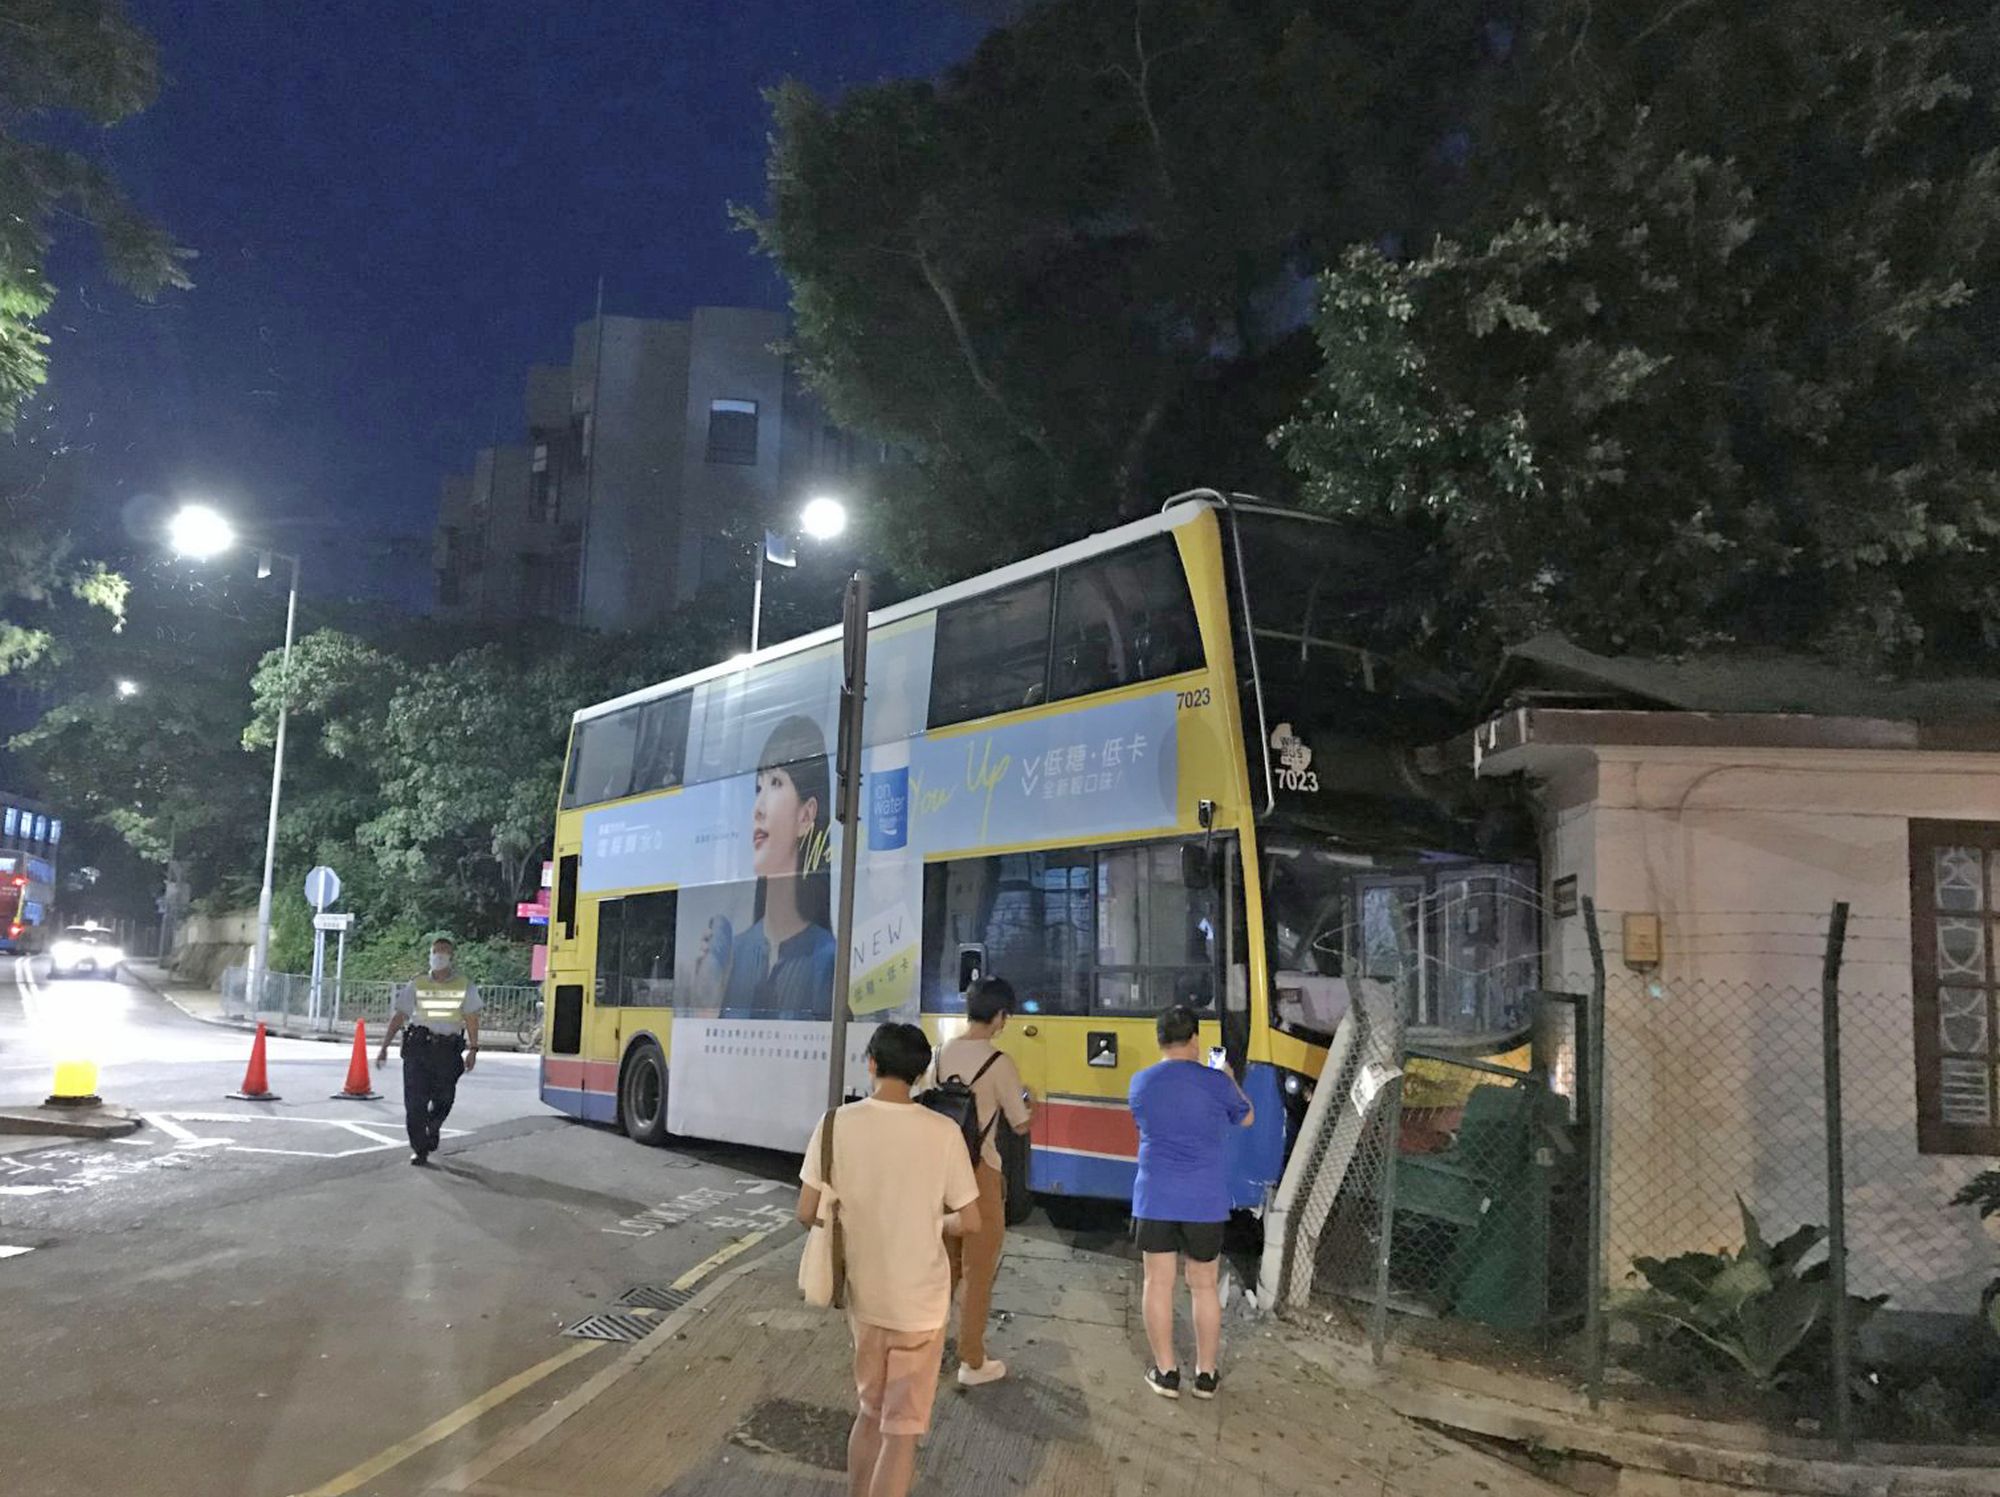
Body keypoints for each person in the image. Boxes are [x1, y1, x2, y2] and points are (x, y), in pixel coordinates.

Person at [797, 1023, 980, 1497]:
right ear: (921, 1075)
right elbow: (971, 1220)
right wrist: (936, 1224)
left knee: (870, 1413)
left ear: (872, 1064)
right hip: (920, 1305)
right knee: (902, 1435)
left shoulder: (835, 1124)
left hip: (866, 1297)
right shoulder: (943, 1132)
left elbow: (806, 1211)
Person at [1127, 1003, 1253, 1400]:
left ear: (1160, 1040)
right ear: (1196, 1039)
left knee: (1157, 1283)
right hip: (1204, 1199)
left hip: (1156, 1197)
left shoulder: (1141, 1083)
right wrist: (1229, 1080)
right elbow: (1246, 1117)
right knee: (1203, 1286)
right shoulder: (1216, 1083)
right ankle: (1206, 1375)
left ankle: (1166, 1372)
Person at [931, 976, 1033, 1387]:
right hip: (980, 1174)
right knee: (978, 1270)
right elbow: (1019, 1124)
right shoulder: (999, 1062)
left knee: (943, 1267)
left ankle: (929, 1344)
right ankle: (972, 1361)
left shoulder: (939, 1054)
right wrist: (1031, 1100)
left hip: (939, 1174)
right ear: (1000, 1016)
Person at [721, 714, 836, 1019]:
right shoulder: (737, 951)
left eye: (775, 783)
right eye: (758, 787)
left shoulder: (828, 958)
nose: (758, 808)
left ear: (806, 816)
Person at [378, 933, 482, 1166]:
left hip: (447, 1051)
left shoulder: (464, 985)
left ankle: (432, 1127)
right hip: (418, 1048)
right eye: (435, 951)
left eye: (443, 951)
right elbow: (400, 1015)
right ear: (430, 955)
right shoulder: (418, 983)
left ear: (451, 956)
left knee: (445, 1099)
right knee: (414, 1103)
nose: (439, 955)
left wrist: (473, 1049)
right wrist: (384, 1045)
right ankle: (419, 1148)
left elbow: (471, 1018)